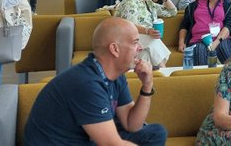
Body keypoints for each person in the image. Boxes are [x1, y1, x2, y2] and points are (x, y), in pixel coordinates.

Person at [23, 18, 168, 145]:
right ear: (114, 49)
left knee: (155, 133)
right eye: (135, 42)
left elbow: (132, 125)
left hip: (85, 139)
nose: (140, 47)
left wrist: (147, 86)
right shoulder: (86, 84)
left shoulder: (116, 76)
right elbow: (112, 144)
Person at [116, 0, 177, 68]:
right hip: (127, 40)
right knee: (152, 40)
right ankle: (165, 73)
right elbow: (130, 27)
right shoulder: (130, 1)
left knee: (146, 55)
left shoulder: (149, 3)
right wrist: (148, 31)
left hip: (142, 43)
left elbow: (172, 11)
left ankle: (146, 76)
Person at [178, 0, 231, 65]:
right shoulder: (195, 4)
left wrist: (216, 42)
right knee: (200, 51)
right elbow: (184, 24)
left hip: (221, 39)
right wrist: (181, 42)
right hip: (198, 39)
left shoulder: (228, 5)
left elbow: (230, 25)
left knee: (223, 49)